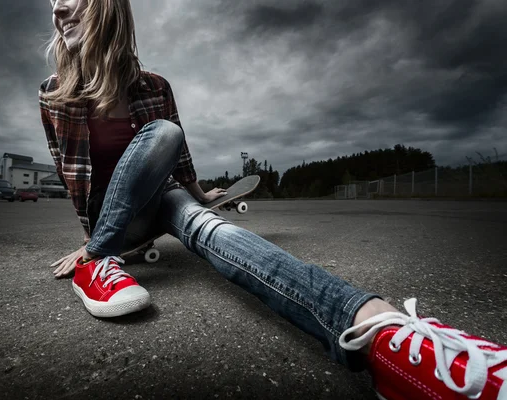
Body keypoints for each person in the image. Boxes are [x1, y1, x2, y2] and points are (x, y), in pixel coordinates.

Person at [39, 1, 507, 398]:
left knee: (202, 213)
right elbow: (70, 175)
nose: (59, 6)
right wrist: (93, 240)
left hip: (161, 199)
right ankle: (97, 263)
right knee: (162, 135)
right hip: (110, 221)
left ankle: (383, 335)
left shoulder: (154, 87)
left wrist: (201, 196)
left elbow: (176, 157)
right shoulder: (52, 95)